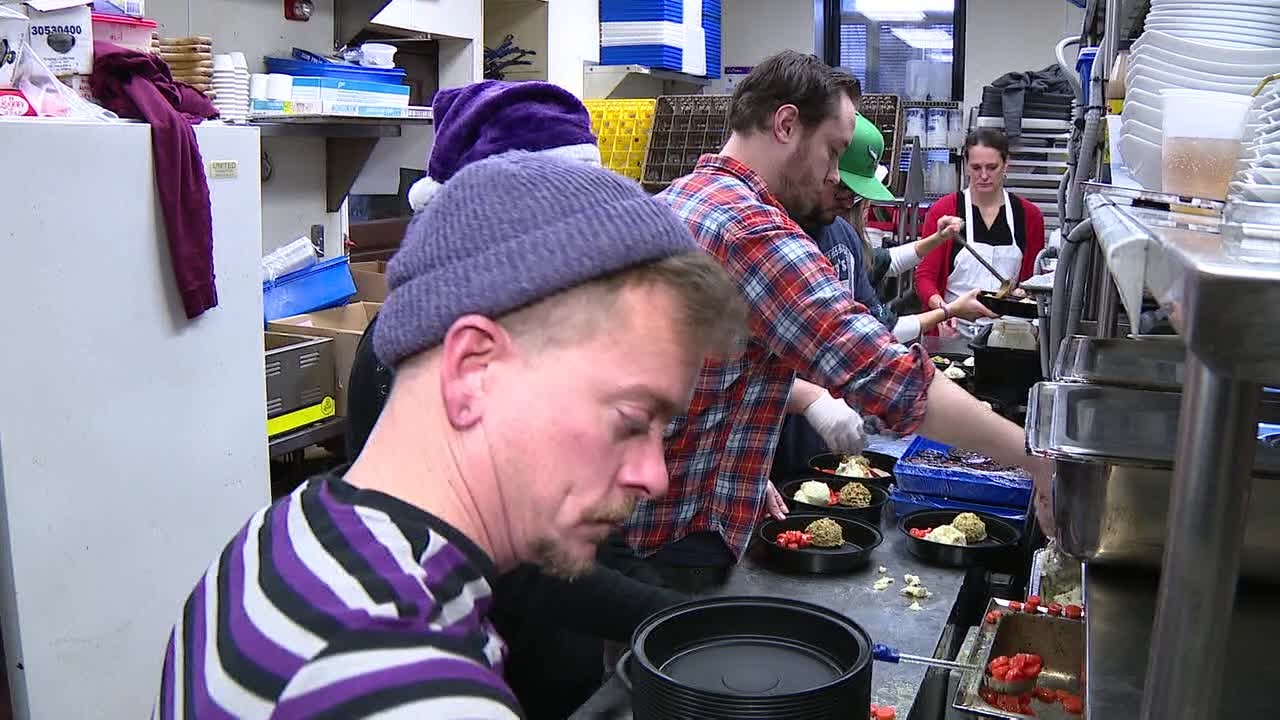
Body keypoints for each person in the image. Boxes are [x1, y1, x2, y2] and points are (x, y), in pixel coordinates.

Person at [152, 153, 746, 719]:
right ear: (473, 371)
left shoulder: (275, 537)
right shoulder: (411, 693)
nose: (653, 475)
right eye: (631, 420)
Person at [621, 51, 1053, 591]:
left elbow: (702, 379)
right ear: (785, 124)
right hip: (674, 540)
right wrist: (1035, 460)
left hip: (637, 518)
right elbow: (887, 376)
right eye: (832, 151)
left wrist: (737, 475)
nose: (833, 174)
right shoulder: (753, 231)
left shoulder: (679, 198)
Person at [344, 80, 692, 720]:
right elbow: (525, 575)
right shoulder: (410, 682)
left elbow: (590, 523)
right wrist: (669, 616)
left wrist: (672, 610)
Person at [774, 113, 996, 474]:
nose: (849, 201)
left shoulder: (842, 235)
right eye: (843, 190)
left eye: (856, 195)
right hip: (780, 437)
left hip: (827, 432)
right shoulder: (779, 243)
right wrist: (949, 311)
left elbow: (876, 321)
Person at [914, 127, 1046, 338]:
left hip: (1007, 335)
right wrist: (943, 311)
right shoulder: (944, 211)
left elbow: (1033, 281)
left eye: (992, 167)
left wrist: (1024, 293)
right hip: (952, 331)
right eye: (976, 167)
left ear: (1006, 164)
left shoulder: (1029, 216)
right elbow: (925, 276)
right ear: (966, 166)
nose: (984, 176)